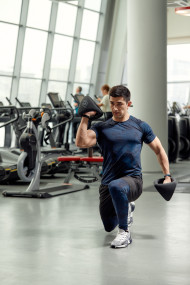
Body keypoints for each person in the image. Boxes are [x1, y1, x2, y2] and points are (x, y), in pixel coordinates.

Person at [75, 85, 171, 249]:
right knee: (108, 226)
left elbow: (159, 150)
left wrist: (167, 175)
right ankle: (127, 208)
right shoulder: (102, 127)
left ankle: (124, 233)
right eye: (112, 103)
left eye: (119, 104)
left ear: (129, 103)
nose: (114, 108)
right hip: (108, 182)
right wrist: (85, 117)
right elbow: (81, 142)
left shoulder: (140, 126)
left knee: (117, 186)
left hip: (133, 181)